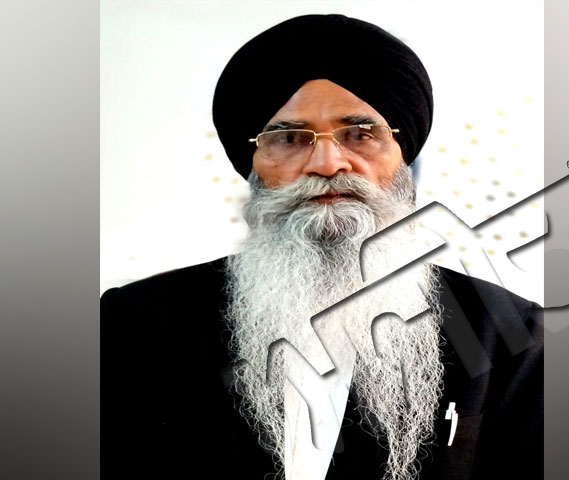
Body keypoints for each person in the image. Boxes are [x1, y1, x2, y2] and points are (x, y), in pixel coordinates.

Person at [101, 14, 542, 480]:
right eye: (290, 138)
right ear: (254, 165)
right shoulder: (134, 324)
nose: (328, 163)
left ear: (404, 158)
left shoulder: (511, 335)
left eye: (361, 134)